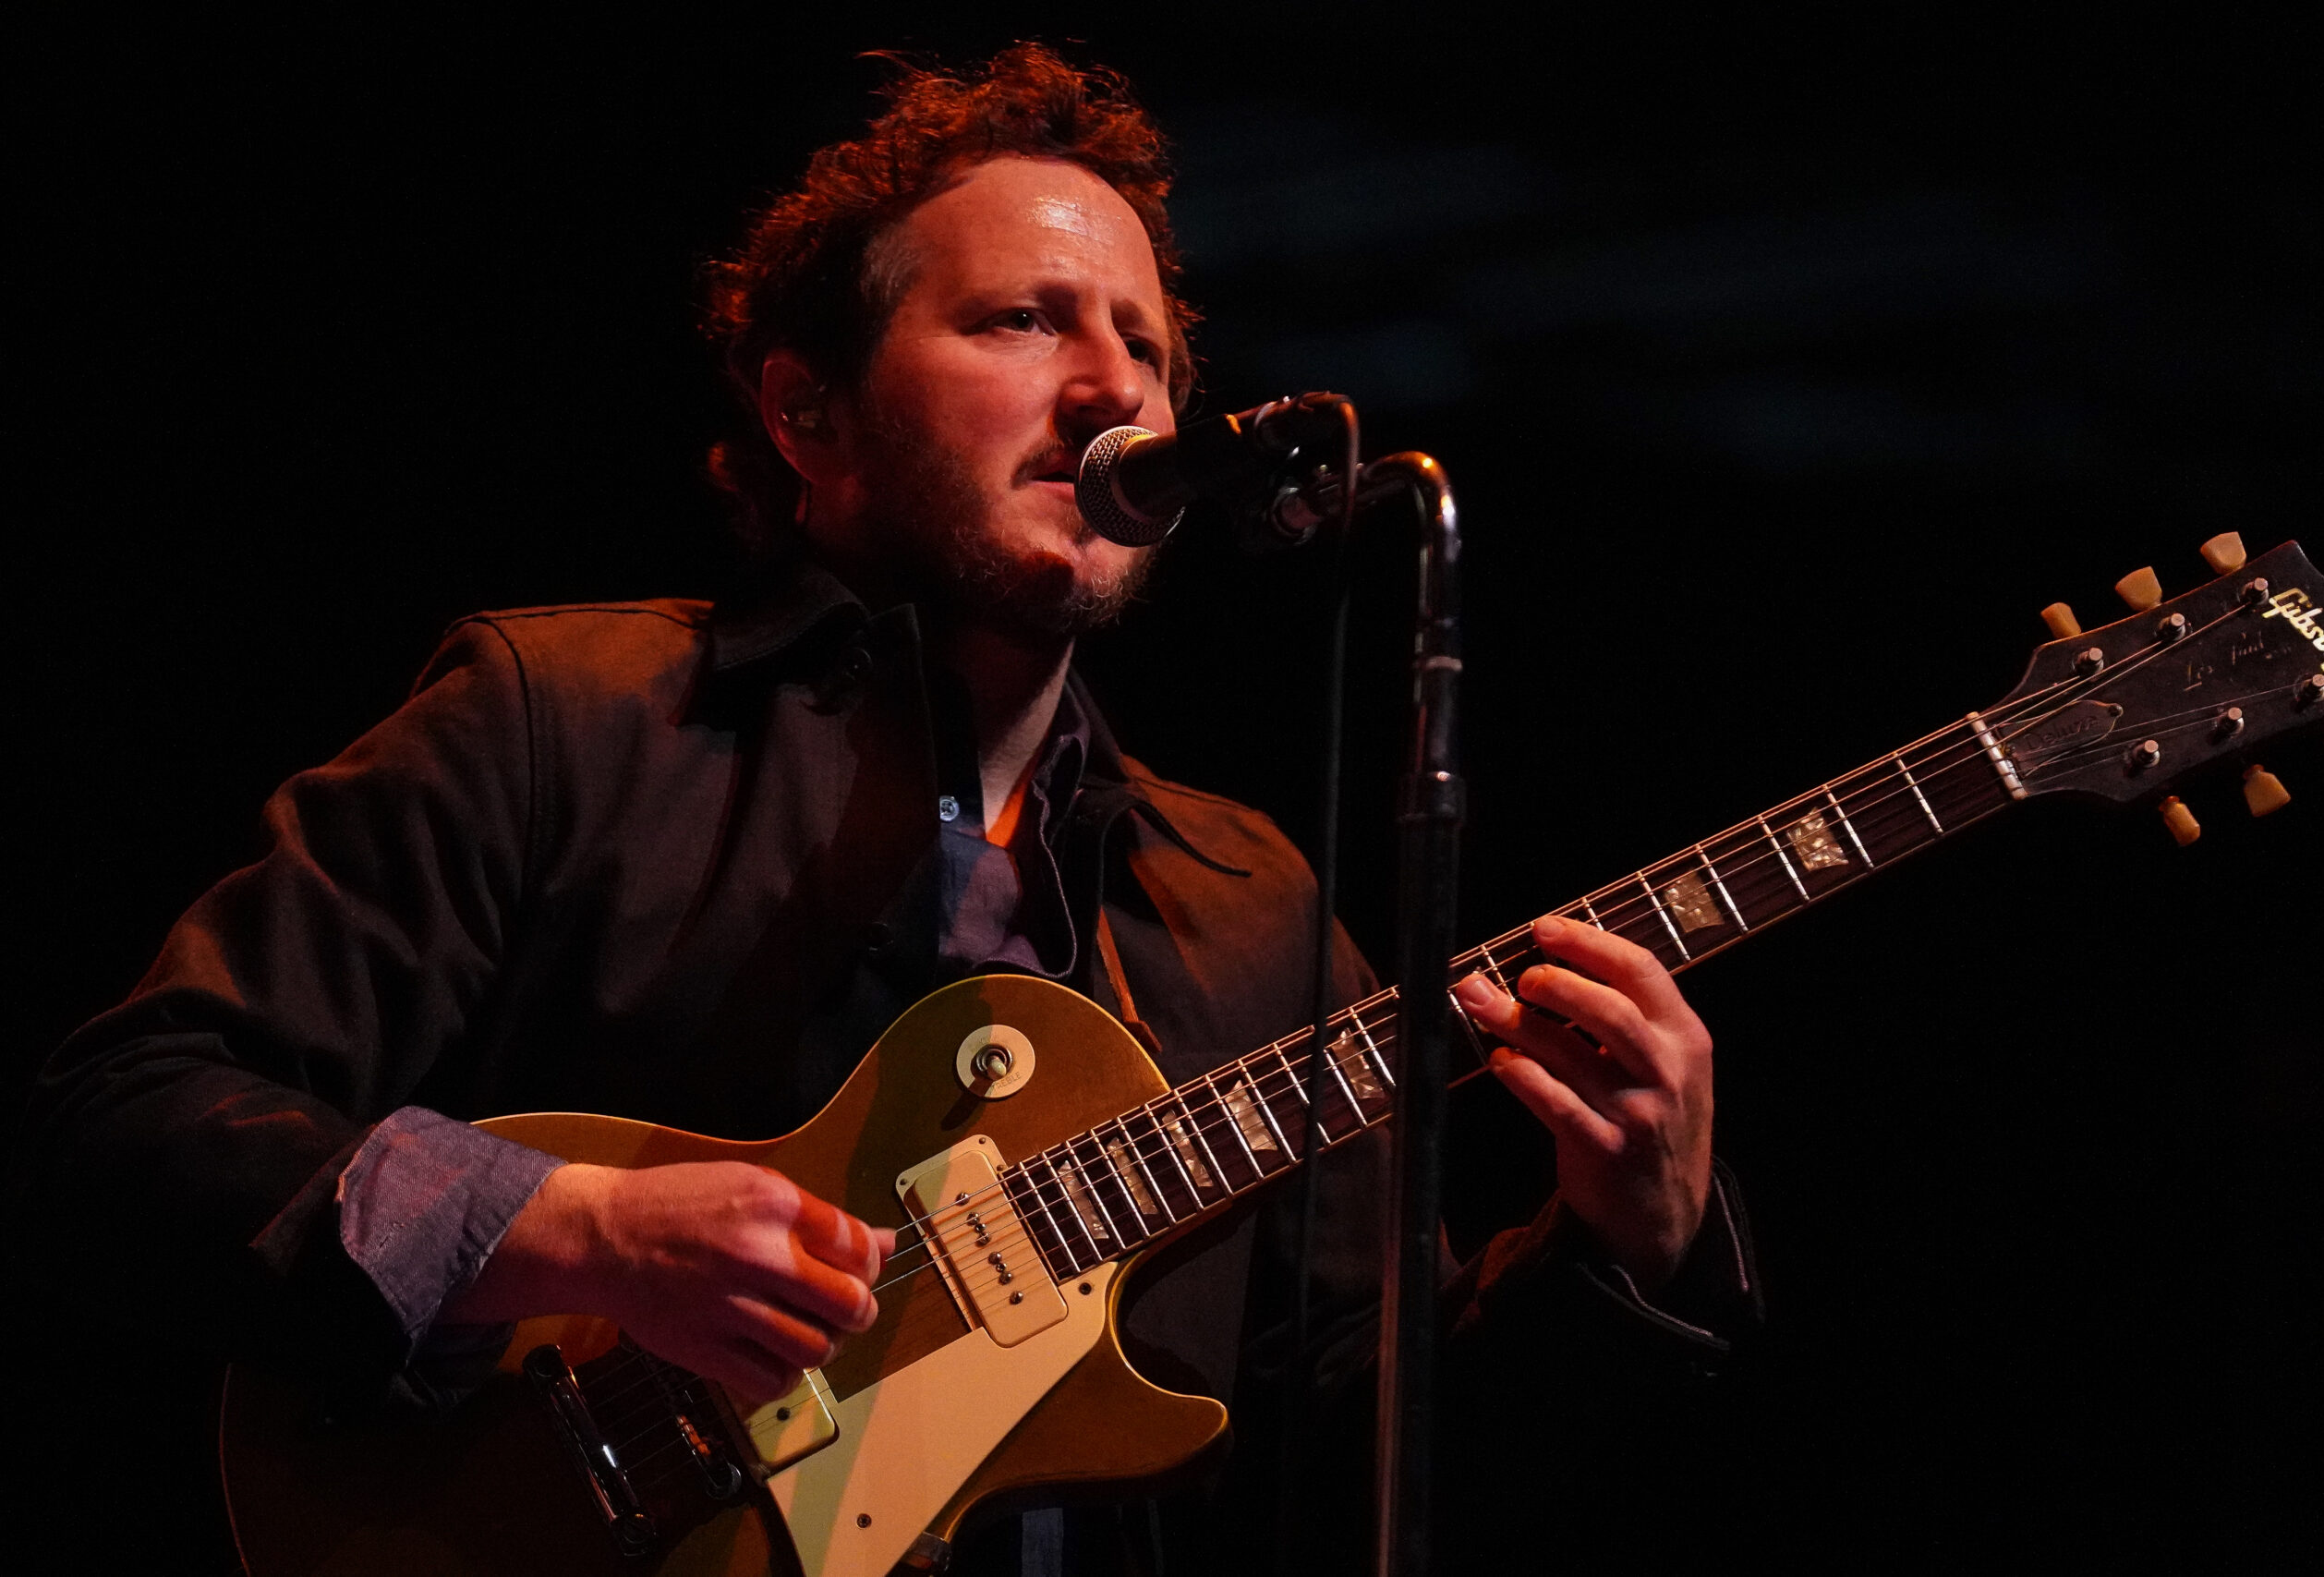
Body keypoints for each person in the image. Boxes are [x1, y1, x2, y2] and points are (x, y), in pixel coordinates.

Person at [19, 46, 1759, 1575]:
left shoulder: (1244, 902)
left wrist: (1625, 1244)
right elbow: (124, 1122)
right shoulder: (566, 721)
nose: (1116, 389)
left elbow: (1367, 1478)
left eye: (1146, 347)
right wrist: (578, 1232)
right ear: (810, 411)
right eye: (1023, 321)